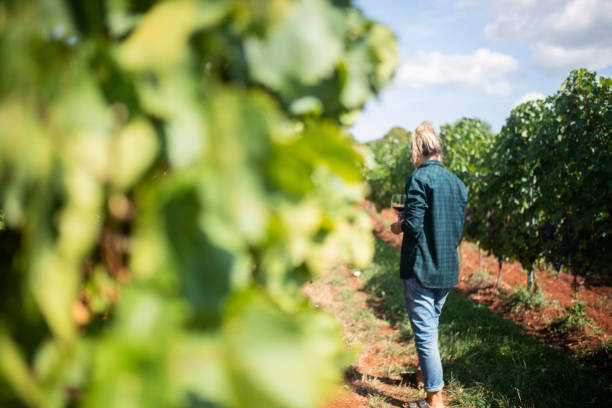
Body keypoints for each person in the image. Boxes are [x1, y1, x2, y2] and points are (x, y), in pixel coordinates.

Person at [390, 121, 467, 408]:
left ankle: (435, 399)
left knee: (424, 333)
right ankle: (423, 375)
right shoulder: (457, 184)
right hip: (446, 269)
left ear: (418, 151)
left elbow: (414, 225)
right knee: (430, 325)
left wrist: (397, 226)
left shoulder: (419, 179)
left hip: (421, 267)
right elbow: (455, 229)